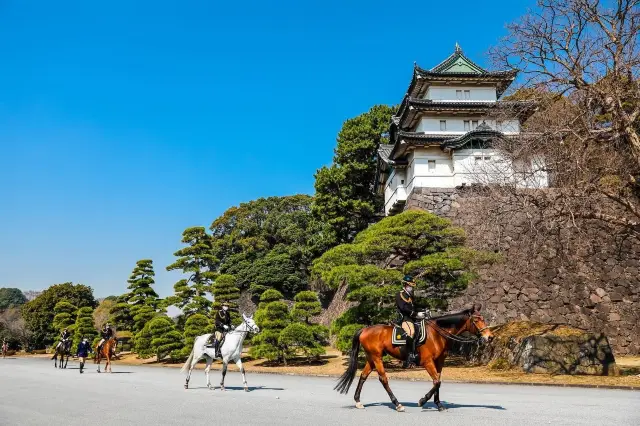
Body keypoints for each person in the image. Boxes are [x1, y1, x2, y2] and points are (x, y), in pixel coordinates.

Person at [396, 275, 426, 368]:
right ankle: (408, 357)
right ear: (405, 285)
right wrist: (416, 314)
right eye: (410, 286)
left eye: (412, 286)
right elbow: (403, 308)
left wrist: (424, 310)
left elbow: (415, 306)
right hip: (405, 319)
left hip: (413, 319)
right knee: (411, 332)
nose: (411, 288)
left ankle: (417, 353)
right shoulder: (400, 295)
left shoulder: (410, 296)